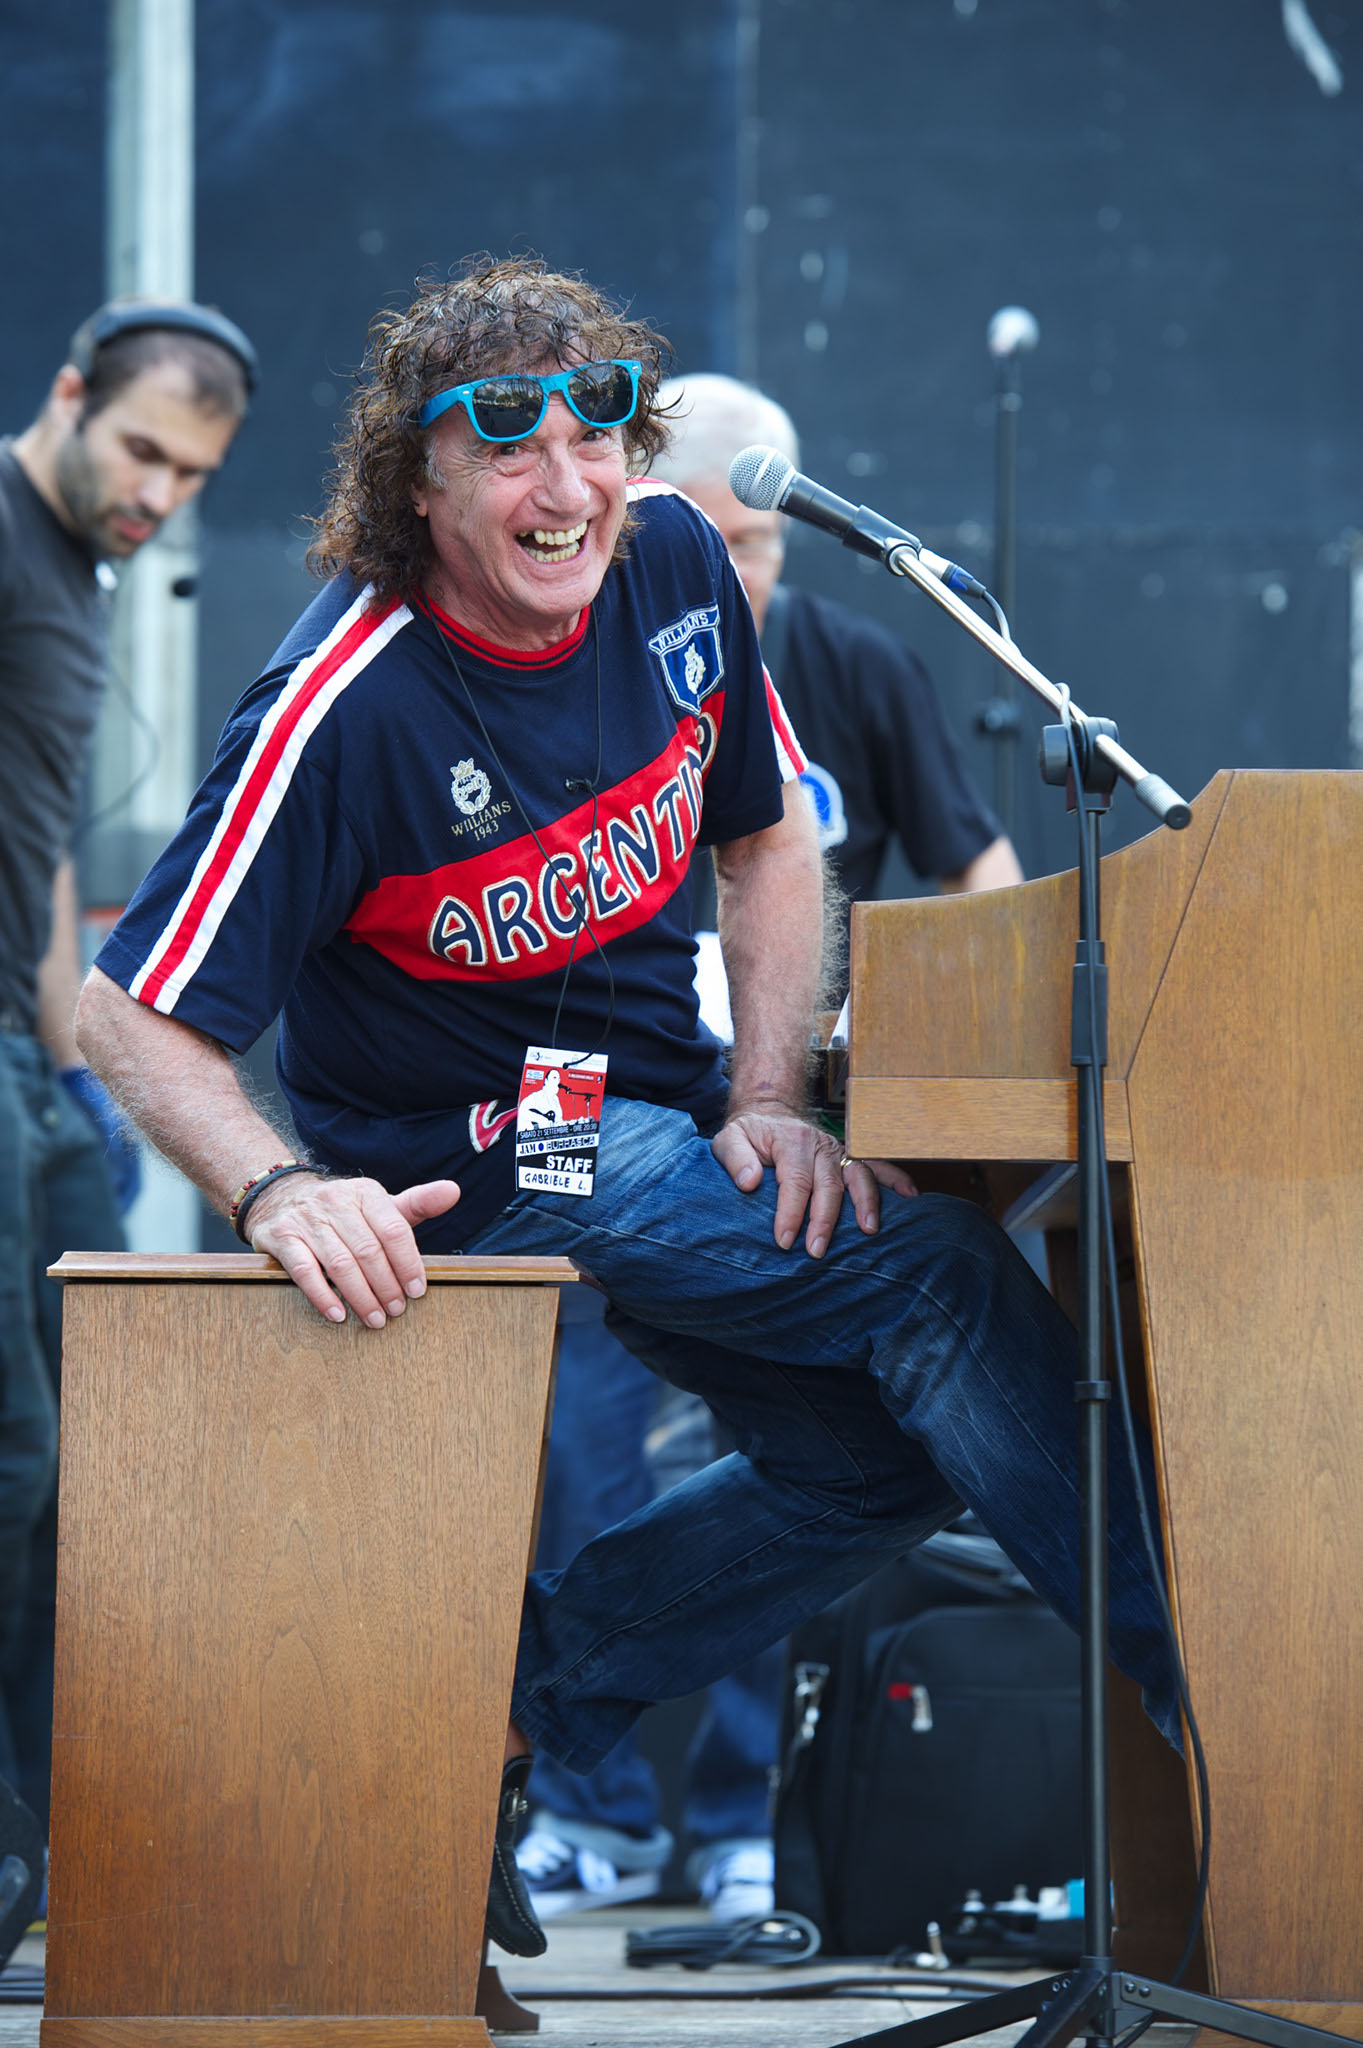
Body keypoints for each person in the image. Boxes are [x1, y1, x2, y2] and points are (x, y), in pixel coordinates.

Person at [73, 257, 1176, 1961]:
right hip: (472, 1145)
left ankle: (503, 1713)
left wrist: (774, 1092)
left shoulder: (672, 555)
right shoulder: (342, 702)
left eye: (597, 433)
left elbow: (772, 836)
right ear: (419, 480)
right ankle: (1223, 1705)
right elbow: (127, 1010)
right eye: (507, 445)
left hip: (659, 1095)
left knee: (887, 1463)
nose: (566, 480)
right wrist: (280, 1190)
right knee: (944, 1283)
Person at [516, 374, 1026, 1924]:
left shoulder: (852, 661)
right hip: (563, 1082)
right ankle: (584, 1809)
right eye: (713, 541)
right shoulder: (559, 640)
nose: (738, 574)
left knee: (791, 1444)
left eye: (763, 548)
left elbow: (980, 869)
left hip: (782, 1087)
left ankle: (746, 1817)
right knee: (576, 1429)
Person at [0, 297, 254, 1832]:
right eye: (143, 451)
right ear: (70, 395)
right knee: (14, 1457)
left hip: (29, 1074)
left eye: (194, 475)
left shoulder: (73, 567)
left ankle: (48, 1848)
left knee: (93, 1460)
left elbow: (32, 847)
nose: (161, 492)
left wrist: (66, 1063)